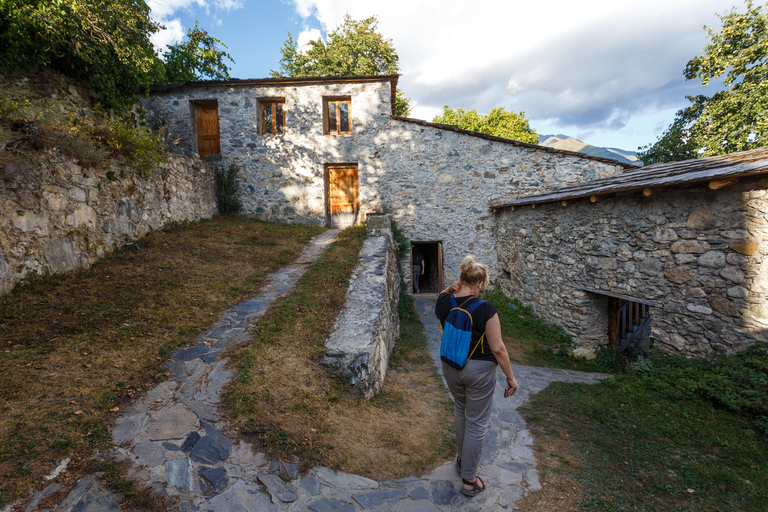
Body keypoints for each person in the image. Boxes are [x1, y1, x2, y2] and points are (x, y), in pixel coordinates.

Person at [435, 255, 519, 497]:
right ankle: (469, 480)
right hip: (478, 372)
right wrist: (511, 378)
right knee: (477, 423)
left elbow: (441, 297)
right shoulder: (486, 309)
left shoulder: (444, 302)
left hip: (450, 366)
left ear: (460, 278)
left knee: (461, 410)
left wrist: (447, 289)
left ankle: (462, 458)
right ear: (481, 284)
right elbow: (498, 348)